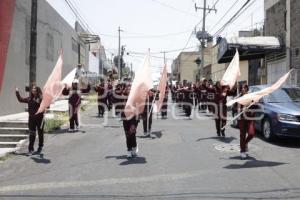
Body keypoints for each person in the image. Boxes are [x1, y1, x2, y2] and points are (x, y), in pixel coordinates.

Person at [15, 85, 44, 155]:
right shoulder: (29, 99)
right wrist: (17, 92)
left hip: (40, 118)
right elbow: (20, 100)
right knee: (32, 134)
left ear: (37, 91)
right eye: (33, 89)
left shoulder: (41, 98)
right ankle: (31, 149)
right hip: (31, 119)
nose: (33, 90)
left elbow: (47, 106)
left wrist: (39, 102)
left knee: (40, 133)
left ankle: (40, 146)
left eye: (35, 89)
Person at [121, 84, 140, 158]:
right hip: (125, 118)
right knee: (127, 135)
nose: (129, 90)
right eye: (127, 88)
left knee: (132, 134)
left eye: (130, 88)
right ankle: (129, 149)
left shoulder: (136, 98)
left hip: (133, 118)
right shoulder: (123, 97)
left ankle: (134, 147)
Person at [238, 84, 256, 159]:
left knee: (251, 134)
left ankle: (244, 144)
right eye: (242, 88)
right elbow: (238, 108)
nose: (243, 89)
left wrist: (252, 107)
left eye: (244, 87)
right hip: (242, 118)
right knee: (242, 135)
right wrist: (241, 111)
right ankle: (242, 151)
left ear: (247, 89)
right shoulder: (240, 97)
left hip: (250, 118)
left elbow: (255, 106)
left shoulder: (251, 96)